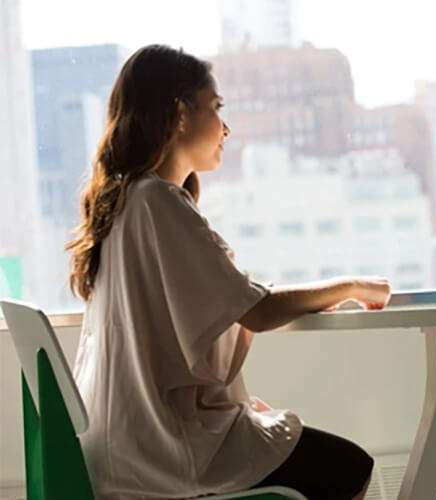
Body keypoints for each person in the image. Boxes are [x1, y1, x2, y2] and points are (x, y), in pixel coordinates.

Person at [66, 44, 390, 500]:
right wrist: (351, 285)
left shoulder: (124, 203)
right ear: (181, 114)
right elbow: (256, 309)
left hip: (121, 445)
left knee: (308, 451)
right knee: (349, 468)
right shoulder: (157, 201)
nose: (226, 127)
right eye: (216, 108)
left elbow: (221, 307)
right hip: (162, 451)